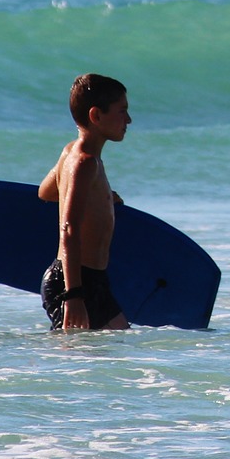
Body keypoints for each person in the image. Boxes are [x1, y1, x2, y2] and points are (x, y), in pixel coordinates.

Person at [37, 74, 132, 331]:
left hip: (92, 280)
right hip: (74, 282)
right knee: (76, 360)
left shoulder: (72, 153)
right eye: (122, 111)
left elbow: (46, 192)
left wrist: (97, 196)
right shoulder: (85, 162)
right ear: (96, 115)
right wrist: (73, 296)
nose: (128, 120)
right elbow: (69, 229)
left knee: (113, 351)